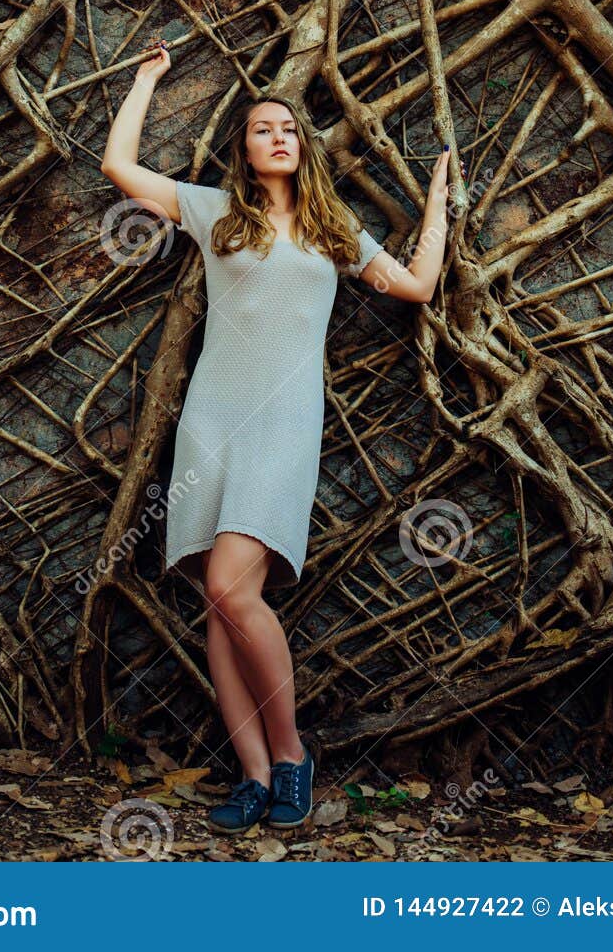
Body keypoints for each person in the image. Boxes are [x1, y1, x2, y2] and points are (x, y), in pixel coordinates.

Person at [101, 40, 455, 835]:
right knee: (219, 606)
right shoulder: (214, 212)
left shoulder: (335, 230)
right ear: (245, 149)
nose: (278, 136)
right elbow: (119, 167)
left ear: (303, 147)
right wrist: (147, 79)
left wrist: (436, 209)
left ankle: (291, 753)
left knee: (232, 588)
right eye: (263, 128)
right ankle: (254, 775)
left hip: (287, 423)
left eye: (288, 127)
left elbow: (419, 287)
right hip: (211, 420)